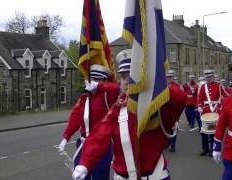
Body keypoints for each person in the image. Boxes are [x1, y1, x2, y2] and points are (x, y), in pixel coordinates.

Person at [72, 50, 187, 180]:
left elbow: (180, 99)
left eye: (131, 75)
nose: (126, 81)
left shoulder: (158, 105)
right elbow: (99, 136)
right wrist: (85, 163)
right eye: (123, 76)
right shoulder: (118, 108)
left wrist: (153, 84)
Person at [58, 64, 119, 180]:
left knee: (99, 177)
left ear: (104, 80)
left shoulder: (108, 95)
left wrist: (99, 86)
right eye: (92, 79)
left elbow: (116, 88)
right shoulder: (85, 96)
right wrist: (66, 137)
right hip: (83, 144)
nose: (93, 82)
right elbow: (75, 118)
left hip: (101, 146)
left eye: (97, 79)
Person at [197, 69, 223, 156]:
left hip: (215, 110)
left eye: (210, 77)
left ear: (213, 76)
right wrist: (200, 106)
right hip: (205, 111)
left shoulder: (218, 86)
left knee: (213, 132)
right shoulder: (203, 86)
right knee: (203, 132)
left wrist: (220, 106)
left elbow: (224, 97)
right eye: (207, 77)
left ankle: (213, 150)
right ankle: (205, 149)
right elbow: (200, 98)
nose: (209, 79)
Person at [166, 69, 185, 152]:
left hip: (174, 111)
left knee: (174, 128)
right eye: (167, 77)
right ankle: (167, 143)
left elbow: (182, 98)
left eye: (170, 77)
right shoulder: (162, 85)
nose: (169, 78)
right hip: (165, 111)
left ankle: (173, 145)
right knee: (166, 129)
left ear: (173, 77)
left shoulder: (178, 86)